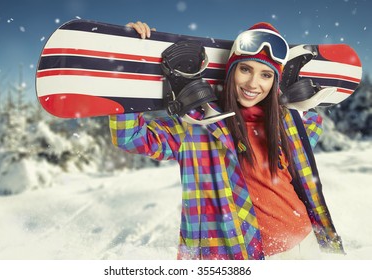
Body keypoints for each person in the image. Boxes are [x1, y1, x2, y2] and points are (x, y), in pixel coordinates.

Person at [109, 21, 344, 260]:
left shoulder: (285, 123)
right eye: (245, 70)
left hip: (307, 243)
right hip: (248, 255)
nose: (253, 84)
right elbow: (130, 137)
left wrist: (291, 102)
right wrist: (135, 70)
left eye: (265, 75)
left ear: (275, 83)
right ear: (231, 71)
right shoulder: (198, 128)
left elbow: (313, 126)